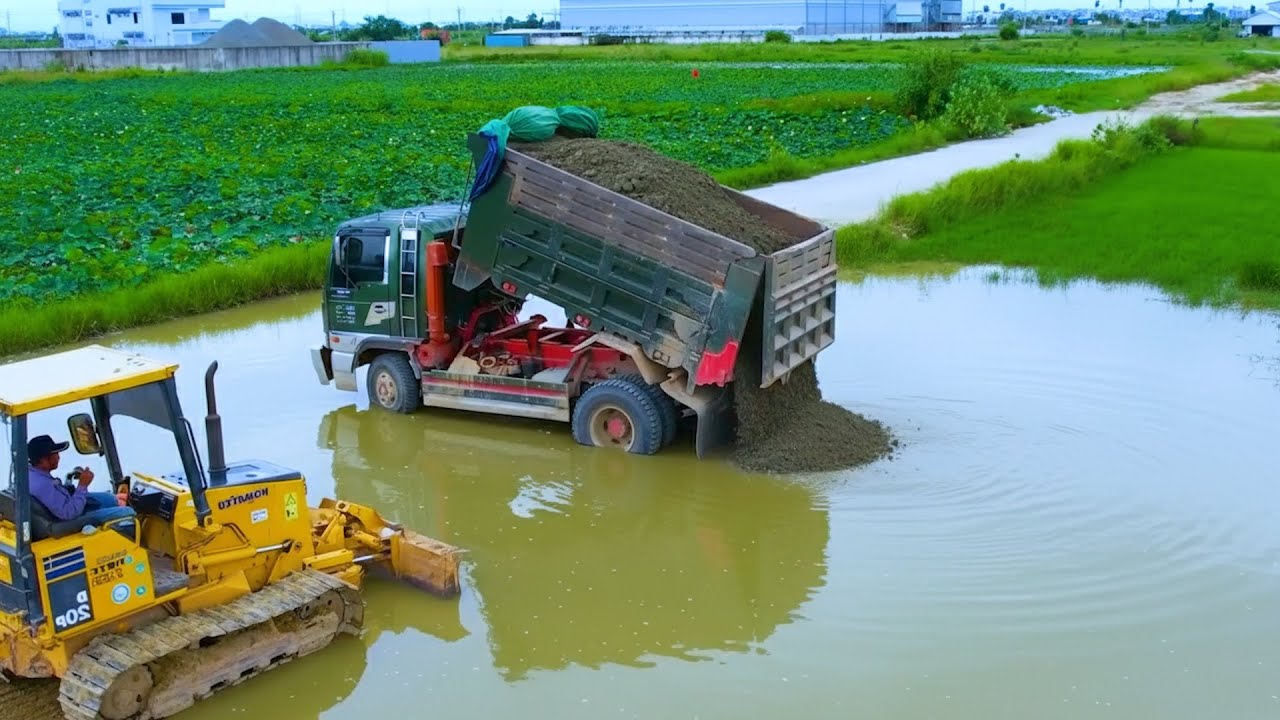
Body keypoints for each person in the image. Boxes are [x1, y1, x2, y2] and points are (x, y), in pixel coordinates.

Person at [27, 434, 133, 527]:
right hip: (71, 521)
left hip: (65, 510)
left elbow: (56, 497)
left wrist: (69, 481)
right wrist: (83, 485)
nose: (58, 458)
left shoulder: (32, 475)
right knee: (128, 512)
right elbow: (69, 513)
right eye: (55, 455)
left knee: (112, 499)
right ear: (43, 460)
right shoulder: (42, 485)